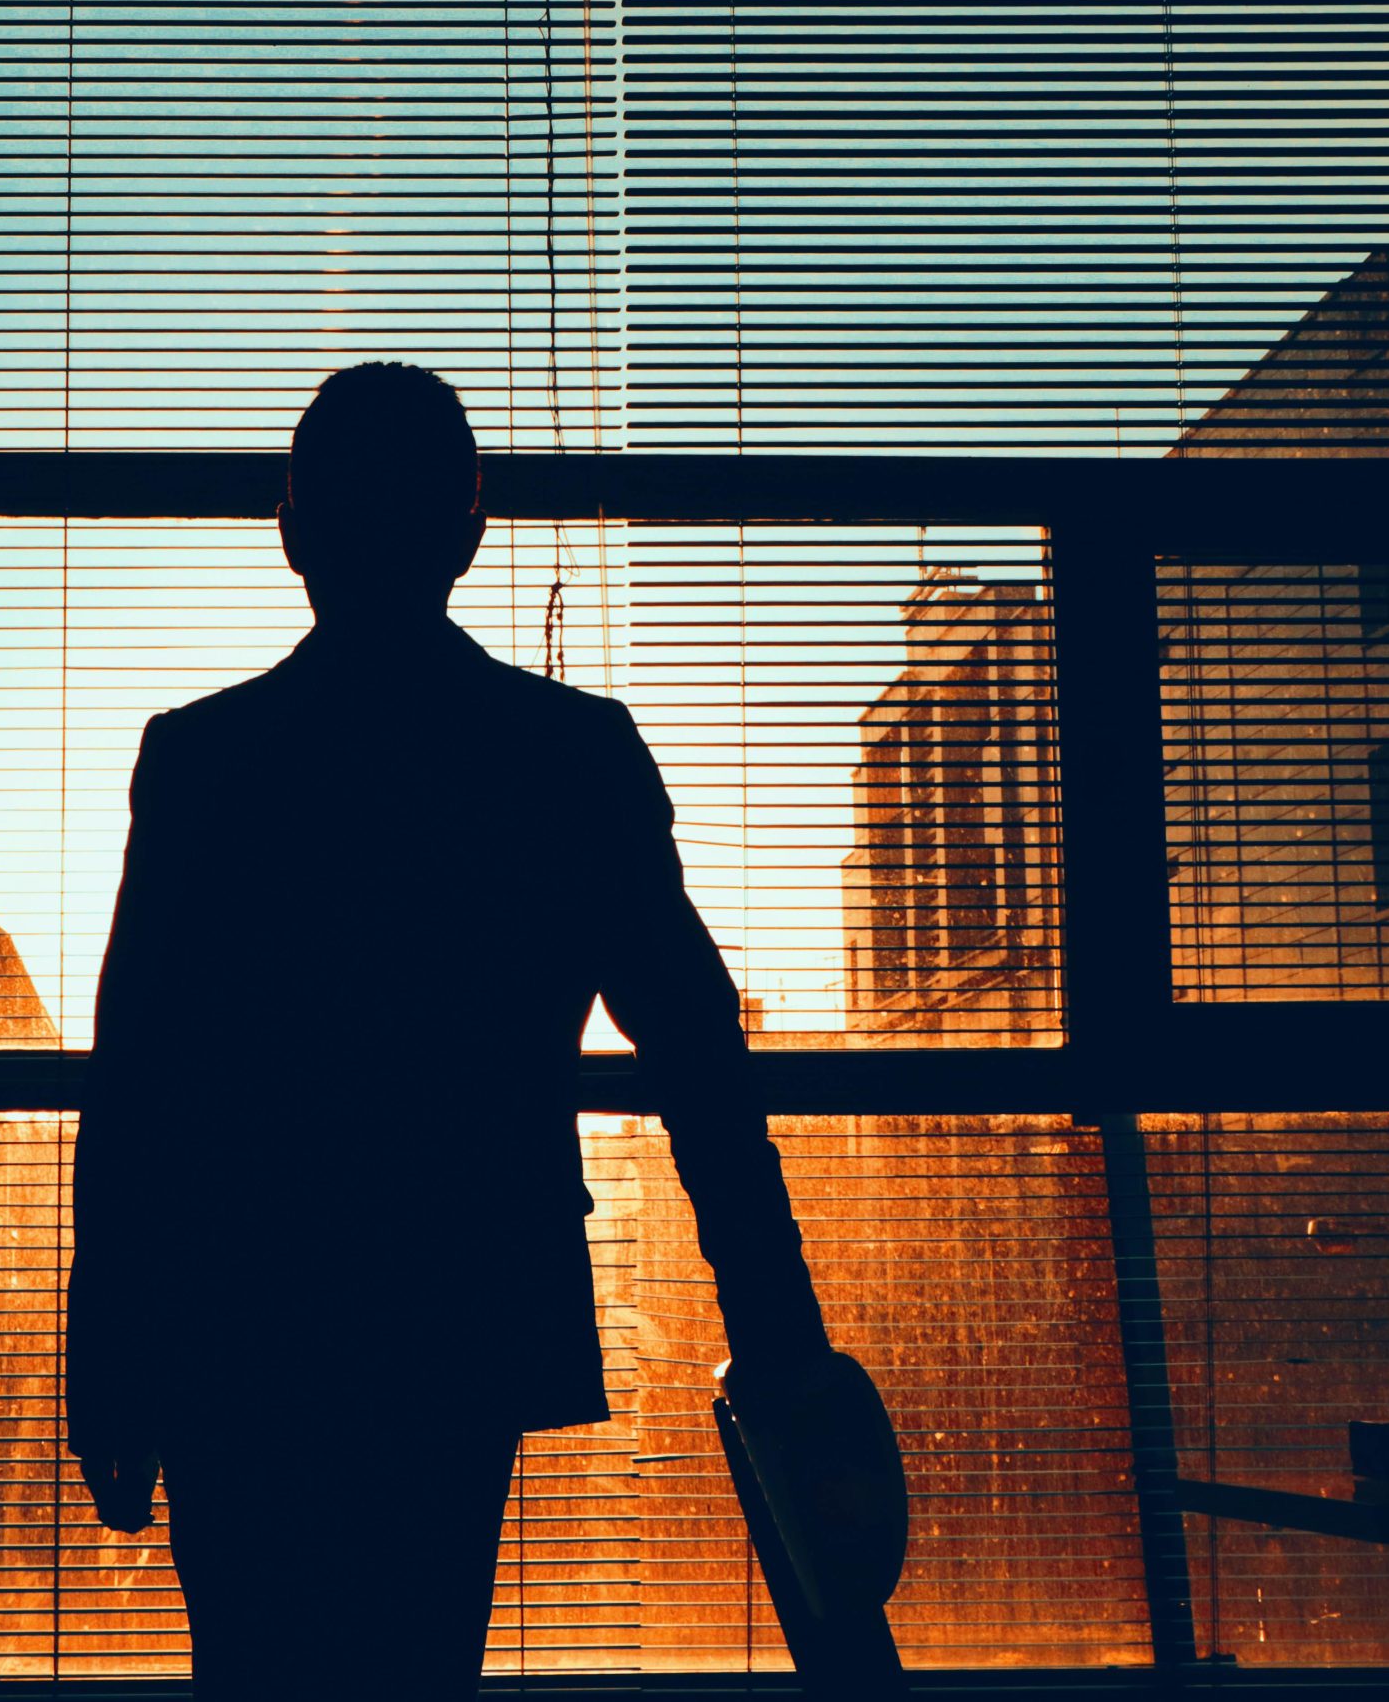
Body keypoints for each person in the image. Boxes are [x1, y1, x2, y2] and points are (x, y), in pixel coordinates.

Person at [68, 361, 831, 1700]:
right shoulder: (570, 756)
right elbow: (699, 1054)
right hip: (455, 1316)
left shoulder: (202, 762)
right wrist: (779, 1334)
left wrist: (112, 1359)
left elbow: (138, 1089)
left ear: (291, 529)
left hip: (241, 1323)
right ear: (469, 533)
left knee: (251, 1663)